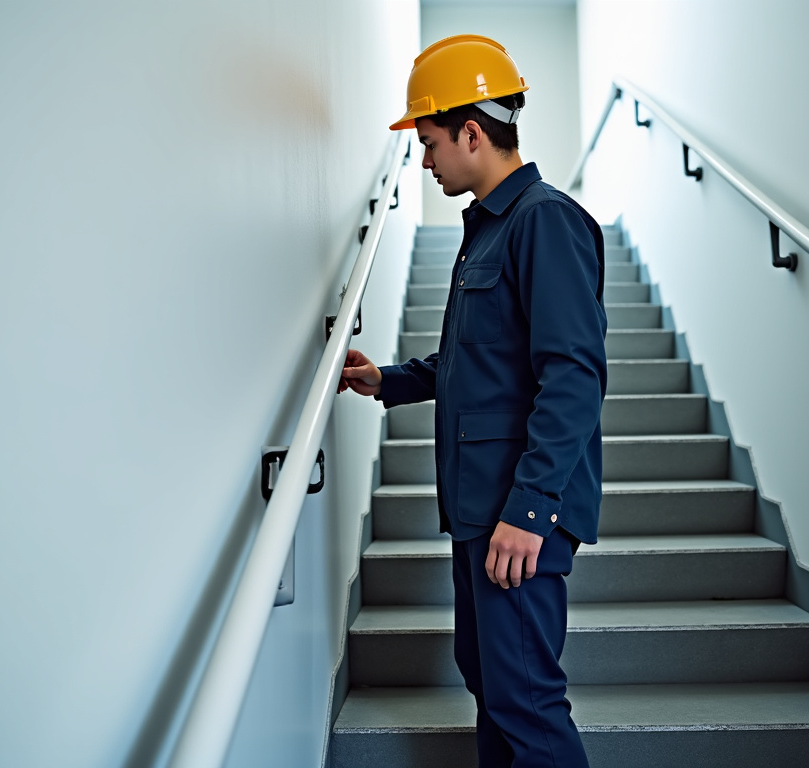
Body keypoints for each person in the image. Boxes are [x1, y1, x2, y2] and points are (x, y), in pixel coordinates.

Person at [340, 34, 606, 768]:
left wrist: (529, 511)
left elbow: (574, 376)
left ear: (471, 131)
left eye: (428, 144)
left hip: (518, 512)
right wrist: (388, 380)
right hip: (479, 511)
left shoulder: (543, 221)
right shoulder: (486, 231)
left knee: (525, 701)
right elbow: (479, 364)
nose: (424, 162)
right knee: (490, 684)